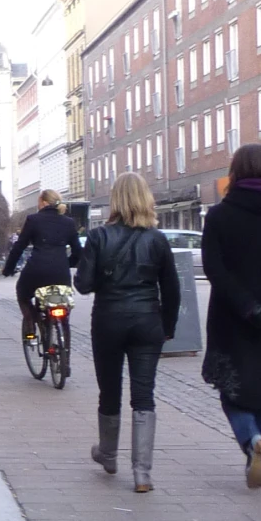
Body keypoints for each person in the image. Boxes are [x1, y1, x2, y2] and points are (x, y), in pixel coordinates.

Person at [75, 172, 179, 492]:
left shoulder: (98, 237)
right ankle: (142, 472)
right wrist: (168, 327)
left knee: (109, 390)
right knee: (143, 395)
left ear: (115, 199)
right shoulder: (157, 239)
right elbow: (172, 289)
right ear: (145, 197)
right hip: (148, 322)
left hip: (108, 321)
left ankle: (108, 454)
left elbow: (83, 284)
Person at [200, 143, 261, 487]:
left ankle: (252, 440)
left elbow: (213, 267)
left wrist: (244, 303)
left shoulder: (220, 215)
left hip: (231, 315)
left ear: (235, 173)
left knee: (231, 389)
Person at [3, 190, 82, 342]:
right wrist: (67, 263)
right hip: (60, 273)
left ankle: (31, 324)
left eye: (38, 202)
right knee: (63, 306)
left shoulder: (33, 220)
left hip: (36, 271)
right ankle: (64, 349)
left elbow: (19, 246)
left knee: (23, 294)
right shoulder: (68, 222)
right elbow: (78, 251)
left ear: (44, 203)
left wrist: (9, 268)